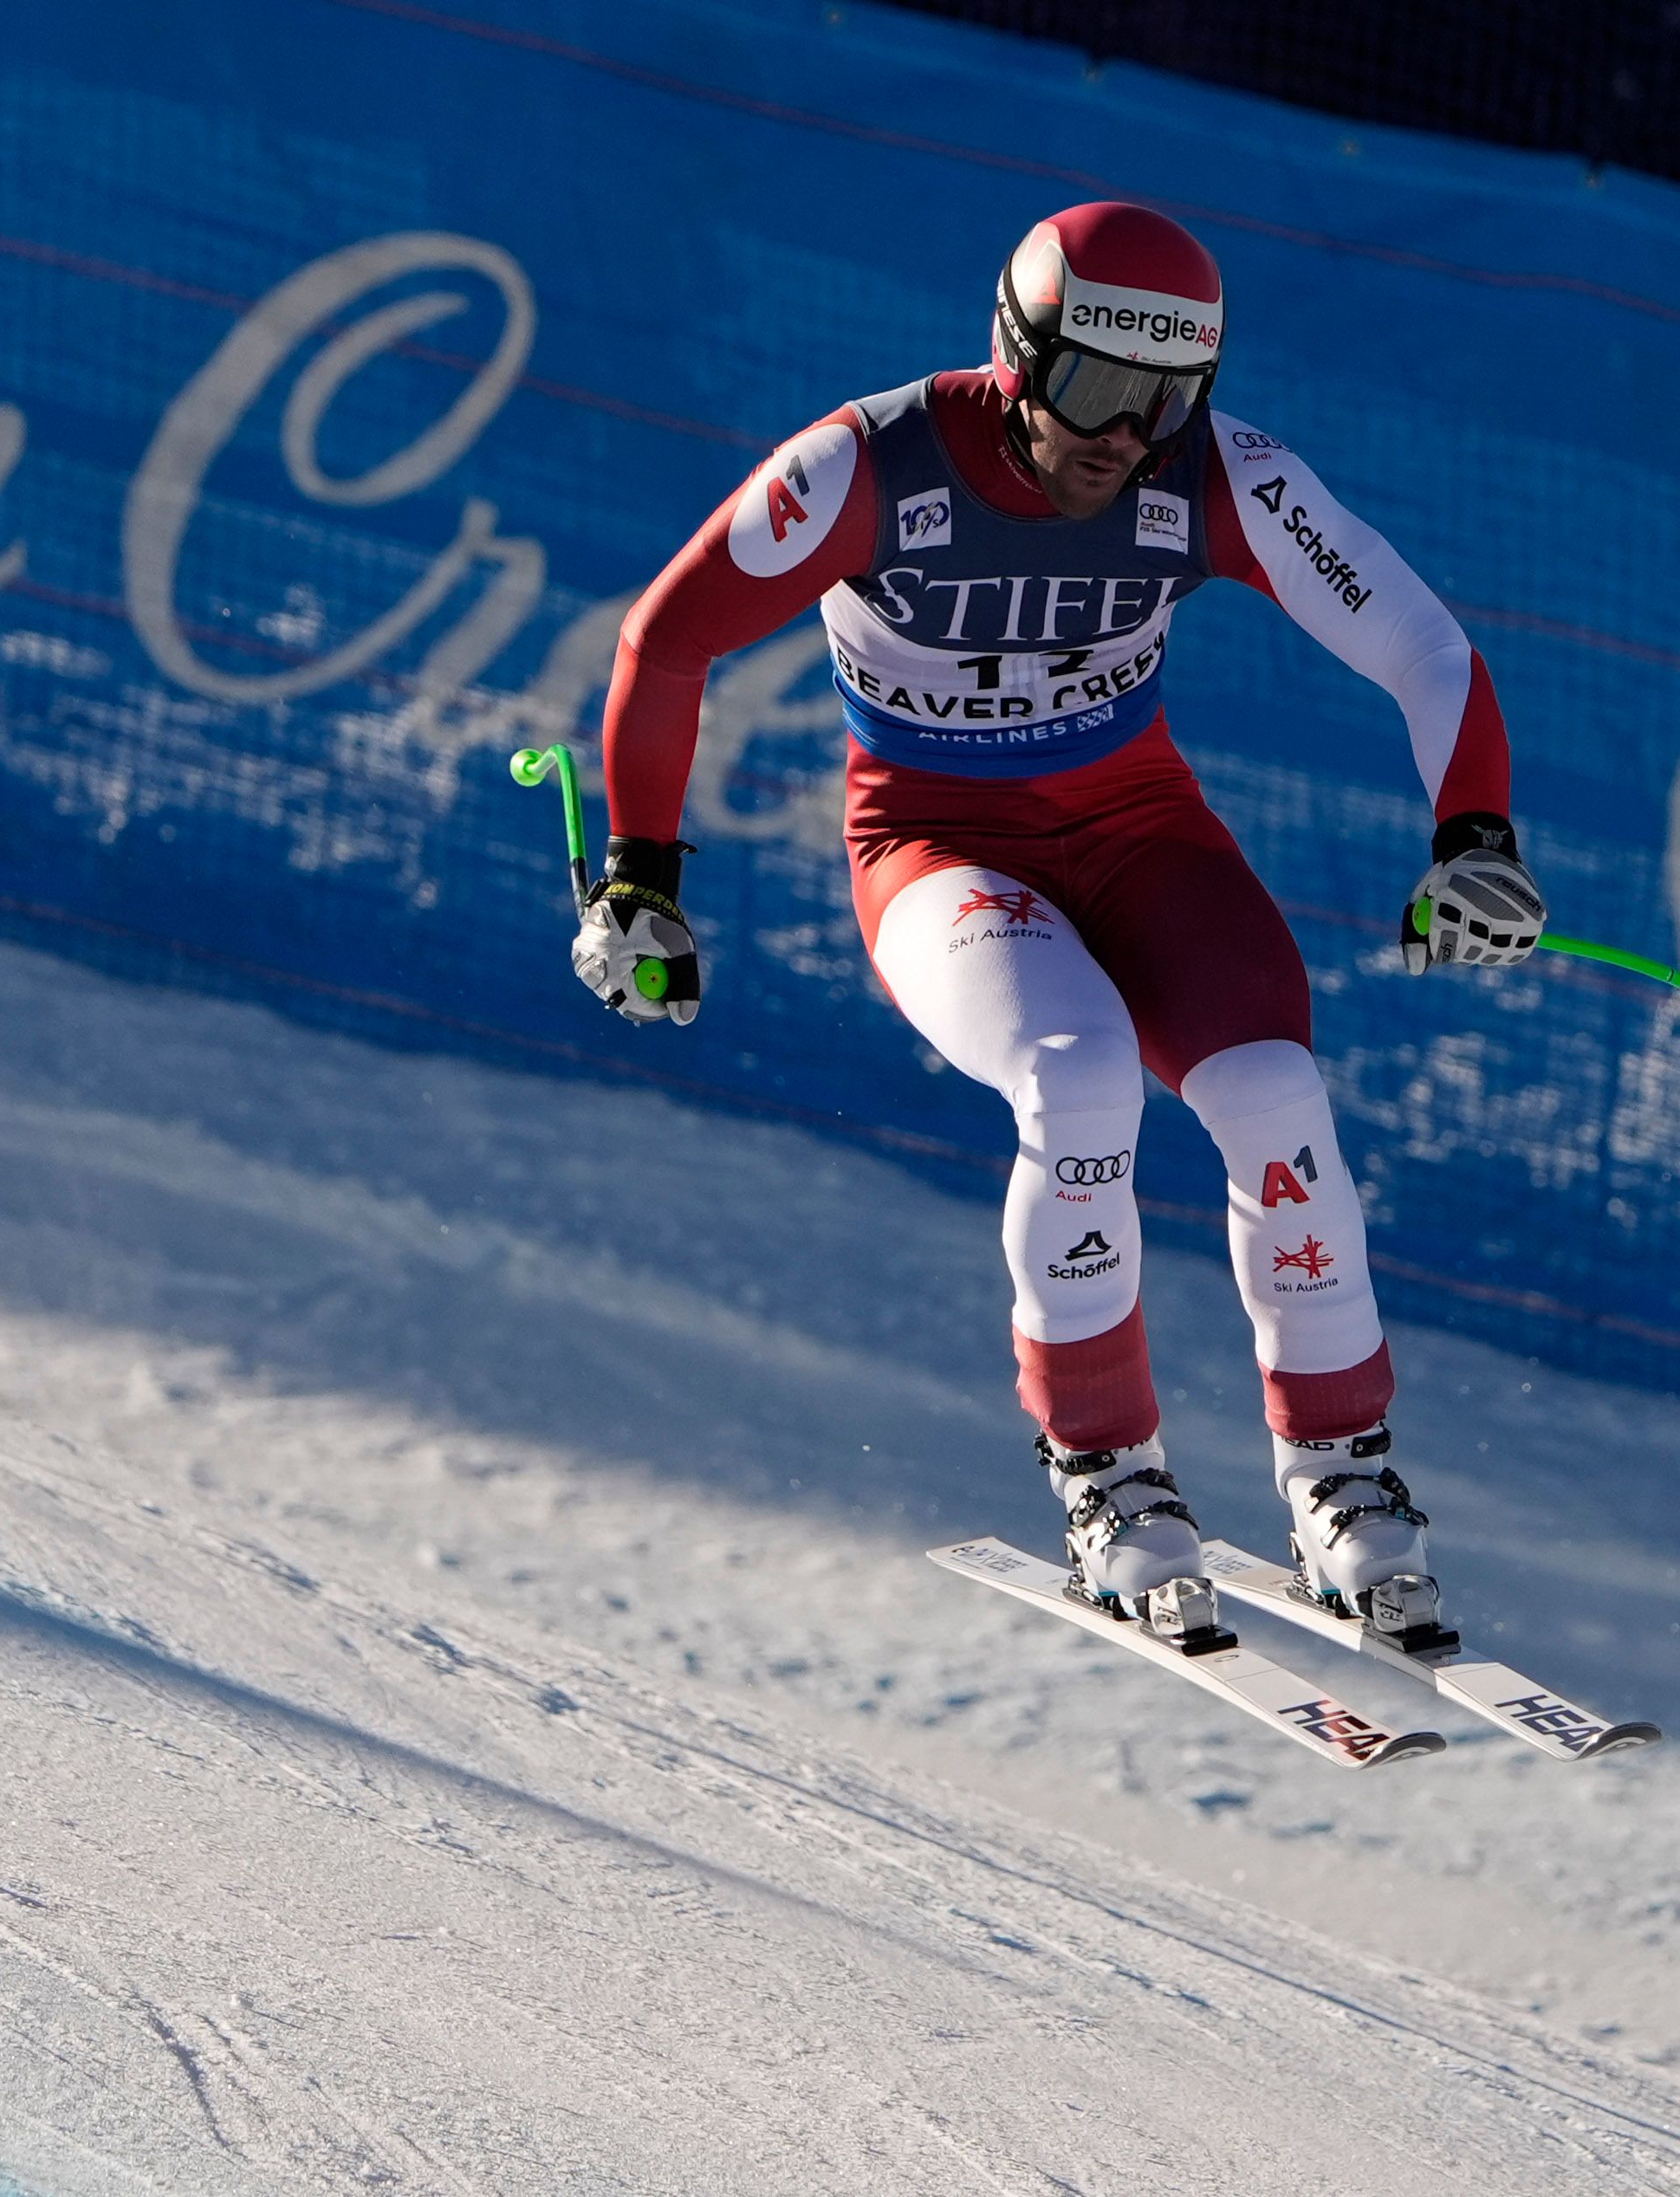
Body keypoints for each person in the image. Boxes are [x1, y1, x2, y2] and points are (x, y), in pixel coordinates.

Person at [575, 201, 1546, 1643]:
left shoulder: (1217, 477)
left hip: (1138, 831)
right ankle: (1108, 1472)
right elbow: (670, 635)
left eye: (1167, 404)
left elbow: (1422, 645)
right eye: (1096, 391)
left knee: (1279, 1094)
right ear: (1018, 356)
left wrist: (1473, 838)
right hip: (935, 845)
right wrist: (638, 878)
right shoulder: (865, 466)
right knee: (1079, 1077)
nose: (1124, 437)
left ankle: (1340, 1470)